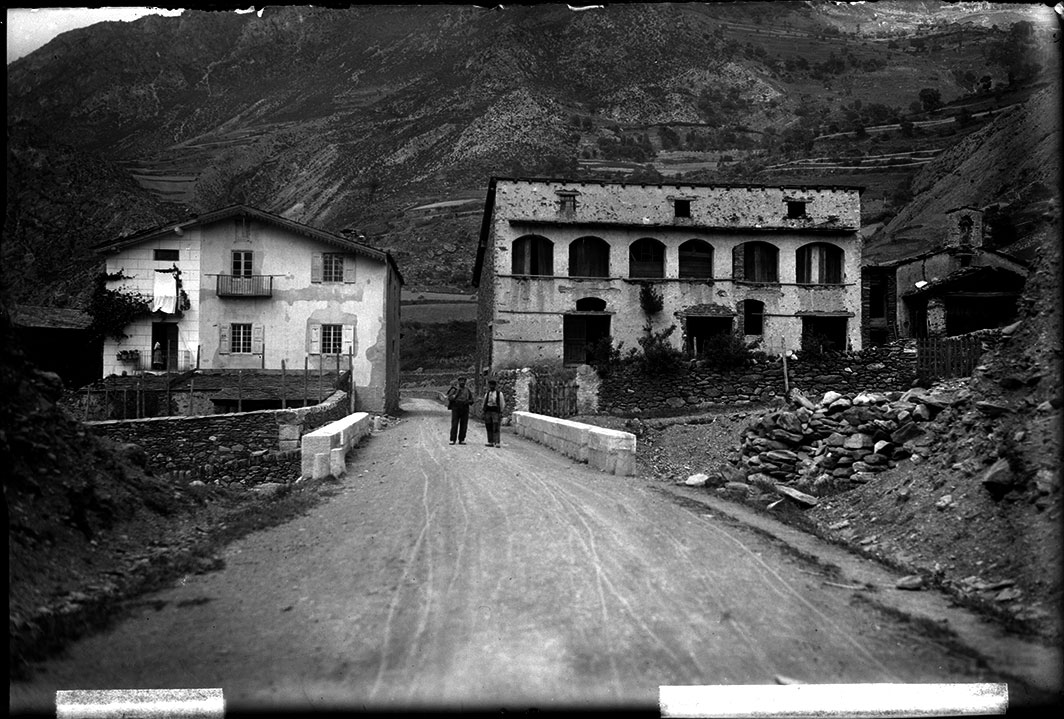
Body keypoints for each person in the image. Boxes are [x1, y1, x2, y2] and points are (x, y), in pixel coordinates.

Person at [445, 376, 475, 445]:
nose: (462, 382)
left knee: (464, 425)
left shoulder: (467, 390)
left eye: (463, 381)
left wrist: (468, 401)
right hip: (456, 408)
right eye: (461, 381)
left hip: (465, 408)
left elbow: (472, 400)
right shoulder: (454, 390)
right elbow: (449, 398)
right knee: (454, 424)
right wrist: (455, 395)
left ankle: (461, 439)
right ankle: (452, 439)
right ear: (458, 382)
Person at [482, 379, 506, 447]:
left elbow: (502, 403)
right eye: (490, 385)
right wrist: (484, 411)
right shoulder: (487, 394)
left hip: (495, 412)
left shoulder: (499, 394)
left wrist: (500, 411)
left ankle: (497, 442)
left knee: (496, 426)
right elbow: (484, 402)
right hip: (488, 411)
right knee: (488, 426)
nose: (491, 386)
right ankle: (490, 441)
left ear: (495, 386)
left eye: (492, 385)